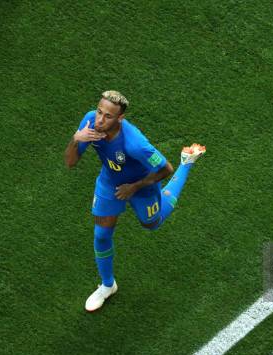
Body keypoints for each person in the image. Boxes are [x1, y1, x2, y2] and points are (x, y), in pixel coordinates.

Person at [65, 90, 205, 311]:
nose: (100, 120)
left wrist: (134, 187)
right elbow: (70, 163)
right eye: (99, 112)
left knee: (152, 223)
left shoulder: (135, 144)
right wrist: (76, 139)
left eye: (107, 116)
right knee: (101, 234)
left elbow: (164, 168)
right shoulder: (90, 123)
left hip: (142, 185)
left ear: (120, 118)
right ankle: (107, 285)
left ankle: (186, 162)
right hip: (110, 181)